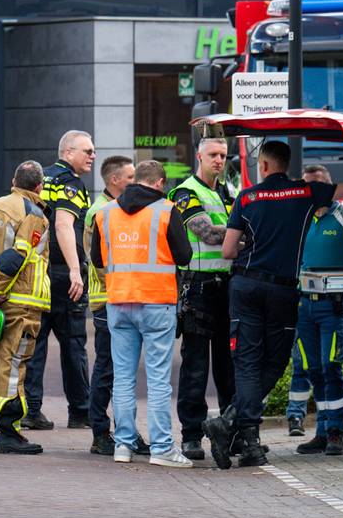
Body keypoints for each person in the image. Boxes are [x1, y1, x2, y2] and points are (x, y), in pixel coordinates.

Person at [203, 141, 343, 469]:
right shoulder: (306, 193)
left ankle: (234, 424)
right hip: (284, 291)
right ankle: (237, 429)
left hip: (246, 286)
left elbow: (228, 250)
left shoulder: (247, 196)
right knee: (273, 363)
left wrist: (253, 245)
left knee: (246, 362)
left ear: (265, 166)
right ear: (286, 166)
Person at [90, 160, 194, 467]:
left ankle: (123, 444)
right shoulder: (166, 210)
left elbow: (97, 257)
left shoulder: (105, 213)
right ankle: (162, 448)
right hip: (156, 301)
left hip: (119, 300)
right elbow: (184, 256)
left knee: (123, 377)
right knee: (158, 379)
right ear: (160, 182)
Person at [0, 161, 52, 455]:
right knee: (13, 367)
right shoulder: (34, 214)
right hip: (22, 304)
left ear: (15, 180)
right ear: (39, 186)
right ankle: (8, 431)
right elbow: (16, 259)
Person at [289, 165, 343, 456]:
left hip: (333, 307)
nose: (314, 191)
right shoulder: (300, 217)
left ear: (330, 186)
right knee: (314, 370)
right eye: (309, 185)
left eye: (320, 185)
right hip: (303, 306)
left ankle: (336, 430)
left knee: (331, 367)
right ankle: (322, 432)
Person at [167, 137, 236, 460]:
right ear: (199, 156)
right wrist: (242, 231)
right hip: (199, 288)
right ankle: (191, 436)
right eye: (213, 155)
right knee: (195, 365)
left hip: (228, 286)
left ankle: (231, 431)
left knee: (229, 366)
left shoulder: (228, 191)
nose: (219, 160)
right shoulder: (185, 192)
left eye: (223, 155)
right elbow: (206, 232)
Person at [24, 130, 96, 430]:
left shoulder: (40, 181)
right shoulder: (71, 183)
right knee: (73, 344)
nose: (92, 155)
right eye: (87, 151)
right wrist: (75, 270)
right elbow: (65, 226)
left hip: (37, 273)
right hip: (62, 275)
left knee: (35, 343)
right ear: (68, 152)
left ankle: (31, 410)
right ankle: (80, 411)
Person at [84, 156, 150, 457]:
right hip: (107, 300)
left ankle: (126, 431)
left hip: (121, 297)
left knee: (121, 371)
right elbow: (97, 261)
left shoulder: (121, 209)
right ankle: (100, 431)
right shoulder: (100, 212)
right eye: (130, 176)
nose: (134, 181)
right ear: (114, 180)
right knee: (108, 369)